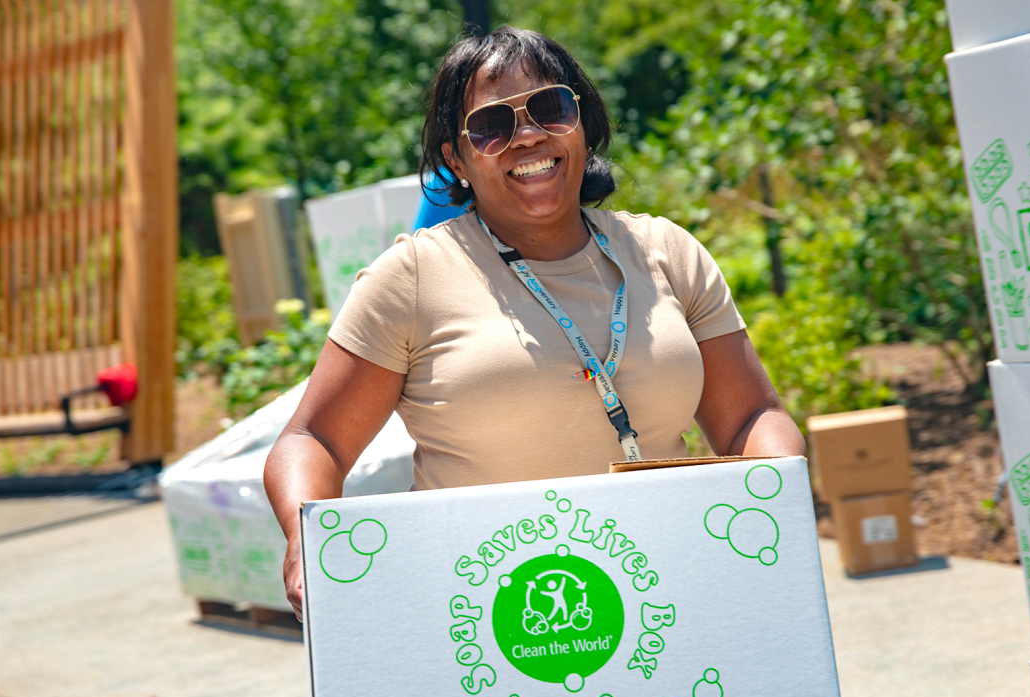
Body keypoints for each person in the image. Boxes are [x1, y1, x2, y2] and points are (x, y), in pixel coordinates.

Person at [264, 26, 804, 618]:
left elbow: (752, 417)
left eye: (549, 108)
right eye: (491, 126)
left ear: (583, 125)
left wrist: (780, 497)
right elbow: (312, 440)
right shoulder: (411, 277)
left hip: (667, 589)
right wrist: (304, 537)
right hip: (483, 617)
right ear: (457, 161)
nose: (527, 136)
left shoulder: (666, 253)